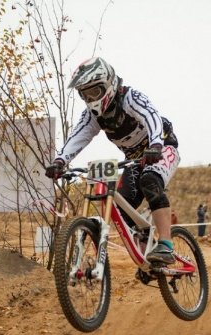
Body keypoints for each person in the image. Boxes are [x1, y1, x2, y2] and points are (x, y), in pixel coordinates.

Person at [45, 57, 180, 264]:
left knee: (150, 180)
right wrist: (60, 161)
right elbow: (78, 136)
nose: (91, 99)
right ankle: (149, 259)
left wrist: (155, 145)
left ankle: (166, 244)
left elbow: (152, 116)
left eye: (94, 92)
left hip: (162, 147)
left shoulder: (130, 98)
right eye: (85, 94)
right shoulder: (92, 116)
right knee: (122, 210)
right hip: (135, 159)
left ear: (108, 84)